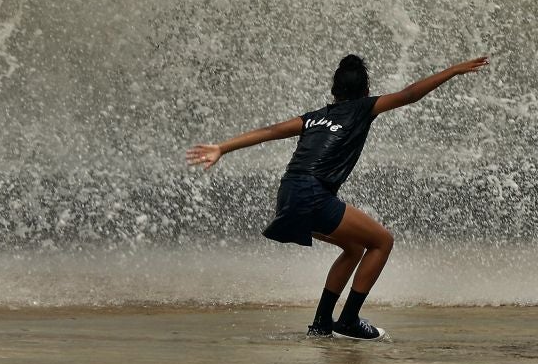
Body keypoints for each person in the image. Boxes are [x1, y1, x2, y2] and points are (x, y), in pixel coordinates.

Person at [187, 52, 489, 339]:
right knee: (383, 242)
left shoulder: (314, 118)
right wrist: (453, 70)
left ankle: (321, 323)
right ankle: (348, 321)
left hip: (289, 193)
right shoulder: (363, 109)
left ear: (334, 90)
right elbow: (409, 94)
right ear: (365, 89)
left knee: (354, 247)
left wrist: (223, 147)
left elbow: (271, 129)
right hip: (312, 194)